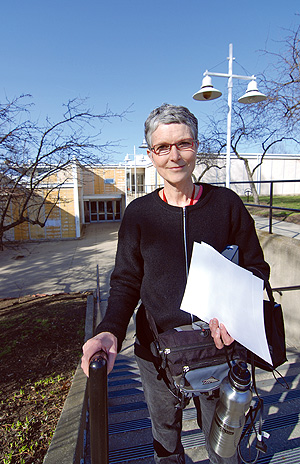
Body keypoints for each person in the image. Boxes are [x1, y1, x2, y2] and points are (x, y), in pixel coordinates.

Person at [81, 103, 270, 464]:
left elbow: (257, 268)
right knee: (166, 442)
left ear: (196, 146)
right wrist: (110, 330)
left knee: (223, 445)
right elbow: (125, 281)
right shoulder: (139, 214)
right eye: (162, 147)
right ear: (150, 153)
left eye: (183, 143)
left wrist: (232, 311)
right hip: (157, 353)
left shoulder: (226, 205)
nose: (174, 155)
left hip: (216, 346)